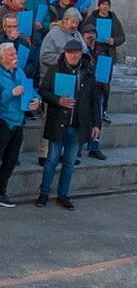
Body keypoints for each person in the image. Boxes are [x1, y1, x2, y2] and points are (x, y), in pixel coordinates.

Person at [35, 39, 102, 210]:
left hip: (78, 125)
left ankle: (63, 195)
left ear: (81, 54)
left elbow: (95, 100)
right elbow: (43, 91)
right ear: (64, 53)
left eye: (76, 52)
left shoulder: (88, 72)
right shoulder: (55, 69)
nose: (73, 55)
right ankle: (44, 193)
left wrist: (97, 124)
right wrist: (59, 100)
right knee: (51, 161)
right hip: (58, 123)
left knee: (70, 162)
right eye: (70, 52)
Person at [0, 41, 39, 210]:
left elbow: (31, 91)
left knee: (11, 160)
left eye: (15, 54)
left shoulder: (19, 72)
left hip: (18, 121)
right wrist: (12, 92)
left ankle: (0, 192)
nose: (15, 57)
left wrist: (36, 100)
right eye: (12, 54)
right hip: (1, 120)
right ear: (2, 57)